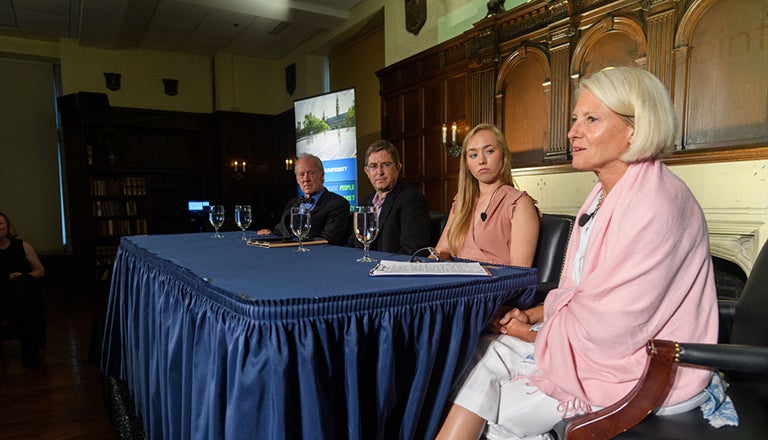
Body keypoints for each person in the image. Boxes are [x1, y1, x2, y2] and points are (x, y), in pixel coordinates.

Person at [435, 67, 720, 439]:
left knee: (495, 409)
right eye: (574, 119)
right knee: (472, 357)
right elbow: (583, 293)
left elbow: (615, 330)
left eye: (591, 119)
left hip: (646, 368)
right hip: (603, 346)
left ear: (635, 129)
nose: (572, 132)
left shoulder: (656, 203)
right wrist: (535, 314)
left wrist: (530, 334)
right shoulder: (605, 193)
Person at [434, 123, 540, 267]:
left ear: (503, 154)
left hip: (495, 285)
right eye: (473, 155)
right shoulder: (462, 200)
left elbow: (519, 271)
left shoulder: (519, 204)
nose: (481, 161)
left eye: (489, 151)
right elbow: (442, 250)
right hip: (456, 280)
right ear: (466, 162)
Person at [347, 140, 431, 255]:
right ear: (367, 172)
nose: (379, 172)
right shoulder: (365, 202)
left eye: (386, 165)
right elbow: (353, 244)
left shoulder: (411, 199)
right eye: (373, 166)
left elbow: (412, 250)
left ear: (398, 168)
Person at [258, 153, 350, 245]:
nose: (306, 179)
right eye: (301, 174)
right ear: (297, 179)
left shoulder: (338, 204)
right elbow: (280, 231)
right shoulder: (292, 203)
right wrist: (270, 234)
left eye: (311, 173)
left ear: (322, 176)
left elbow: (329, 240)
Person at [0, 211, 46, 367]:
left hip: (25, 292)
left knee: (24, 284)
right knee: (26, 306)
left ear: (8, 226)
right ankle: (30, 350)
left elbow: (40, 270)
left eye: (1, 223)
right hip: (3, 295)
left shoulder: (23, 245)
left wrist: (23, 277)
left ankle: (14, 326)